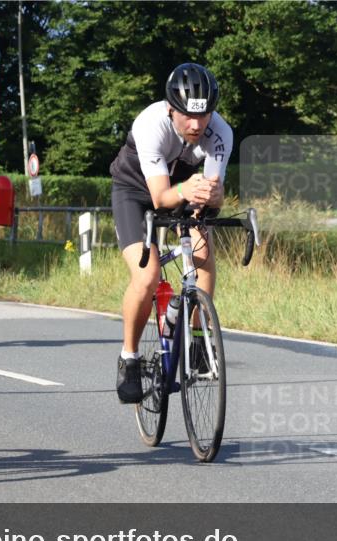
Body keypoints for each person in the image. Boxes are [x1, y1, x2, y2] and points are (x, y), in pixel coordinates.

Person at [109, 63, 233, 403]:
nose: (196, 125)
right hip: (136, 193)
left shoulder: (221, 133)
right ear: (171, 109)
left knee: (202, 254)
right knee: (147, 276)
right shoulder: (150, 124)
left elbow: (209, 196)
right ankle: (129, 357)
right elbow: (161, 197)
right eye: (187, 116)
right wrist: (191, 190)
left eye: (204, 115)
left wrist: (214, 198)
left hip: (183, 191)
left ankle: (197, 339)